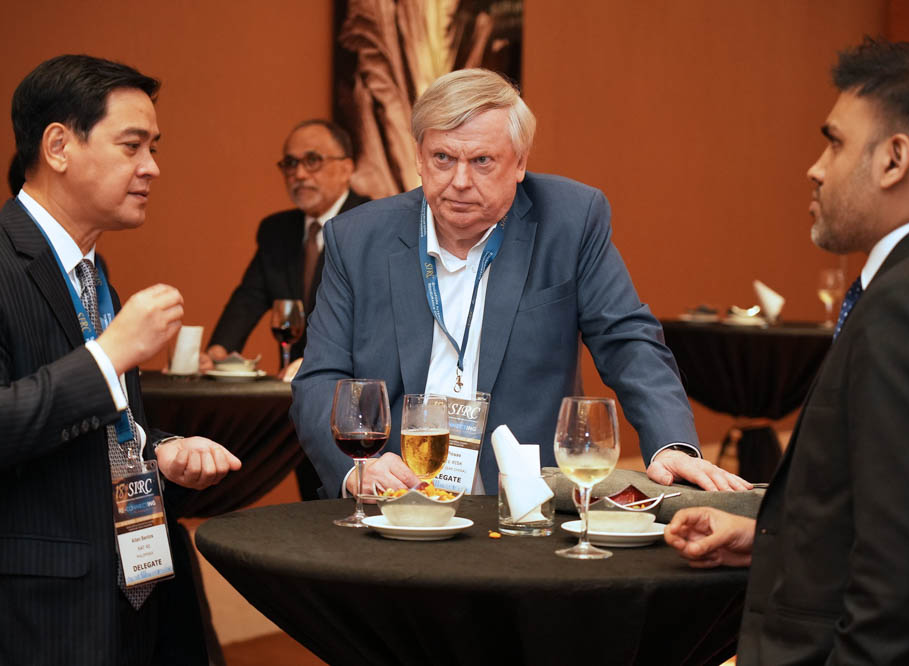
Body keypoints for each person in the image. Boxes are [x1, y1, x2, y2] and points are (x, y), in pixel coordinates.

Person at [291, 68, 750, 499]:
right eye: (443, 158)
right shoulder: (357, 238)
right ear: (419, 156)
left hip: (524, 501)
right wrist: (357, 468)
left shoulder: (569, 221)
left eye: (482, 161)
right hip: (394, 497)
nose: (459, 181)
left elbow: (627, 339)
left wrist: (671, 443)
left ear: (520, 162)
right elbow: (319, 378)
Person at [0, 54, 241, 665]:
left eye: (154, 148)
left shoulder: (93, 276)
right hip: (33, 617)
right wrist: (110, 354)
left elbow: (95, 429)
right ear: (58, 146)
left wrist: (160, 452)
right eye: (132, 146)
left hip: (130, 597)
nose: (152, 167)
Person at [664, 38, 909, 663]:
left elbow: (902, 575)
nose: (815, 168)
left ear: (894, 159)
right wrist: (767, 538)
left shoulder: (907, 304)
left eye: (834, 143)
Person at [203, 119, 370, 370]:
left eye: (312, 160)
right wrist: (217, 352)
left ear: (347, 168)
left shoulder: (373, 224)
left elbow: (376, 318)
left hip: (354, 378)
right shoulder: (277, 231)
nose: (299, 174)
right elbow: (249, 298)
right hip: (294, 383)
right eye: (291, 163)